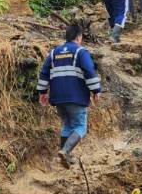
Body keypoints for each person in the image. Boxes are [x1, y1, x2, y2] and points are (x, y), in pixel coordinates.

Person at [37, 24, 101, 167]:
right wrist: (96, 90)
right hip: (76, 97)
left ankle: (65, 156)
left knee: (67, 125)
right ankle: (65, 151)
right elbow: (89, 71)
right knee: (80, 127)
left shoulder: (53, 53)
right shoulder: (80, 52)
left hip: (58, 98)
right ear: (78, 37)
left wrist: (42, 92)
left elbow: (44, 73)